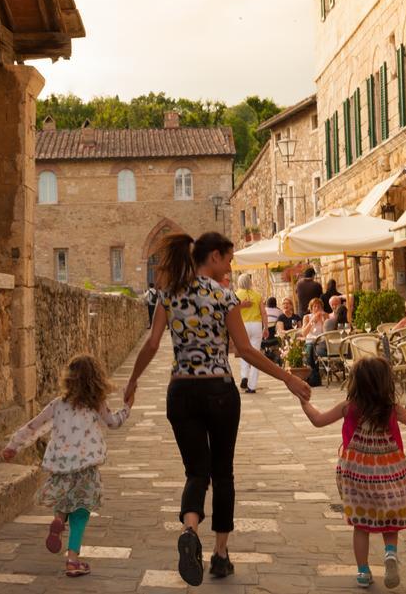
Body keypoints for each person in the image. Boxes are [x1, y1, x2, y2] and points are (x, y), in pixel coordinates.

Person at [123, 232, 311, 586]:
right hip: (219, 391)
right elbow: (245, 350)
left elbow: (151, 344)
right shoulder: (224, 296)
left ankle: (190, 528)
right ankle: (221, 555)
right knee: (223, 472)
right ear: (212, 256)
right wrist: (287, 378)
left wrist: (132, 382)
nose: (229, 266)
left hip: (181, 391)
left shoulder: (169, 295)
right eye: (227, 259)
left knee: (196, 472)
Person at [297, 356, 406, 589]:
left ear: (356, 383)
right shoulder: (392, 409)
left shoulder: (349, 407)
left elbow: (318, 420)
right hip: (388, 471)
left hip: (357, 473)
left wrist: (303, 402)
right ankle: (390, 553)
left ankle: (363, 571)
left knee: (361, 526)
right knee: (390, 520)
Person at [1, 354, 131, 578]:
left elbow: (34, 426)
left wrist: (14, 445)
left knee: (63, 500)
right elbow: (113, 423)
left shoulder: (57, 404)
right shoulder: (96, 405)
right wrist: (128, 406)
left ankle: (59, 520)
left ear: (68, 378)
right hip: (86, 469)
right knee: (81, 512)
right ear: (96, 379)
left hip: (60, 467)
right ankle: (72, 560)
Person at [235, 273, 264, 394]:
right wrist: (266, 327)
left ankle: (244, 376)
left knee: (244, 352)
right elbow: (264, 313)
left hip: (243, 325)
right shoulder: (257, 295)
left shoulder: (236, 295)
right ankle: (252, 386)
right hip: (256, 325)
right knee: (256, 354)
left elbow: (231, 310)